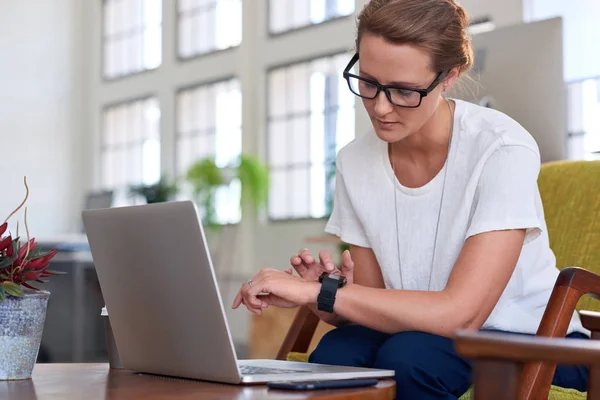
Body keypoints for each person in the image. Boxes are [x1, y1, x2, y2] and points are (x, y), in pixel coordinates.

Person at [232, 0, 590, 398]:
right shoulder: (355, 161)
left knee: (410, 357)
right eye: (368, 82)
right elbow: (373, 305)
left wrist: (324, 294)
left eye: (403, 91)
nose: (380, 107)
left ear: (449, 76)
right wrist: (328, 299)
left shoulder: (502, 148)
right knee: (339, 352)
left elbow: (463, 314)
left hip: (537, 345)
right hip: (424, 338)